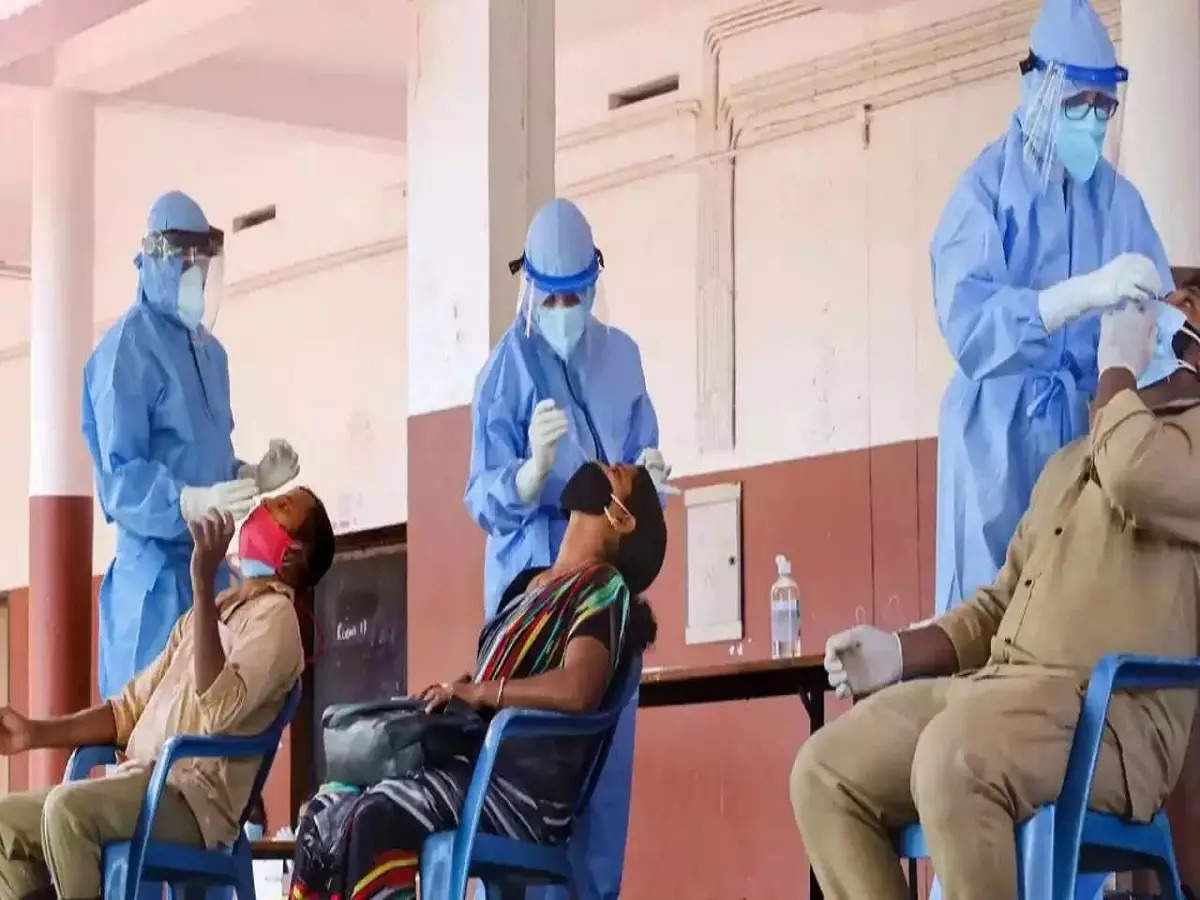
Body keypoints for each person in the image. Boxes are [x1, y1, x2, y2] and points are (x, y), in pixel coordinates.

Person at [791, 299, 1200, 899]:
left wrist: (1118, 371)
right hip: (997, 695)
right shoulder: (1070, 462)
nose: (1144, 311)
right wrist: (899, 653)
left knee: (955, 757)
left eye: (1174, 303)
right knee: (825, 771)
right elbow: (1000, 602)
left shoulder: (1176, 449)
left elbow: (1133, 471)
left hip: (1110, 720)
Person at [292, 462, 666, 900]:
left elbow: (579, 689)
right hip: (469, 769)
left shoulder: (603, 588)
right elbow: (491, 675)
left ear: (622, 519)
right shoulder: (525, 586)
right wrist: (453, 693)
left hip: (519, 793)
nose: (603, 465)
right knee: (326, 808)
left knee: (377, 814)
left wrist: (478, 692)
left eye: (618, 474)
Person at [932, 0, 1173, 622]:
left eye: (1103, 106)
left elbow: (1166, 330)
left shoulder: (1121, 204)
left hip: (1090, 439)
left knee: (1076, 618)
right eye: (1077, 103)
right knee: (986, 618)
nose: (1092, 121)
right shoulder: (985, 190)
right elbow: (969, 324)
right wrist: (1075, 298)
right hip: (995, 445)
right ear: (1039, 89)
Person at [464, 197, 669, 897]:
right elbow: (482, 496)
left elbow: (640, 465)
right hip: (537, 591)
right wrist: (526, 477)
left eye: (575, 295)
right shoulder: (506, 371)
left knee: (601, 789)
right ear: (529, 290)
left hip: (606, 592)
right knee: (530, 785)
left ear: (594, 283)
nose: (564, 310)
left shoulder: (622, 359)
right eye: (550, 298)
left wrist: (650, 477)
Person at [0, 485, 335, 900]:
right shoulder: (213, 611)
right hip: (140, 783)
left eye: (281, 506)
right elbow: (126, 711)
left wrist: (201, 582)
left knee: (67, 812)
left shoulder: (277, 622)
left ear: (293, 555)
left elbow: (218, 709)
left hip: (191, 802)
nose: (263, 505)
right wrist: (33, 733)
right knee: (5, 824)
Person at [83, 189, 301, 699]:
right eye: (185, 263)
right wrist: (184, 502)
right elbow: (119, 480)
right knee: (148, 728)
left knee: (212, 715)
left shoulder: (210, 354)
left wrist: (250, 476)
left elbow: (206, 459)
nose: (196, 277)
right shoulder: (124, 351)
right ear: (155, 261)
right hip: (154, 586)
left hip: (210, 575)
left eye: (203, 265)